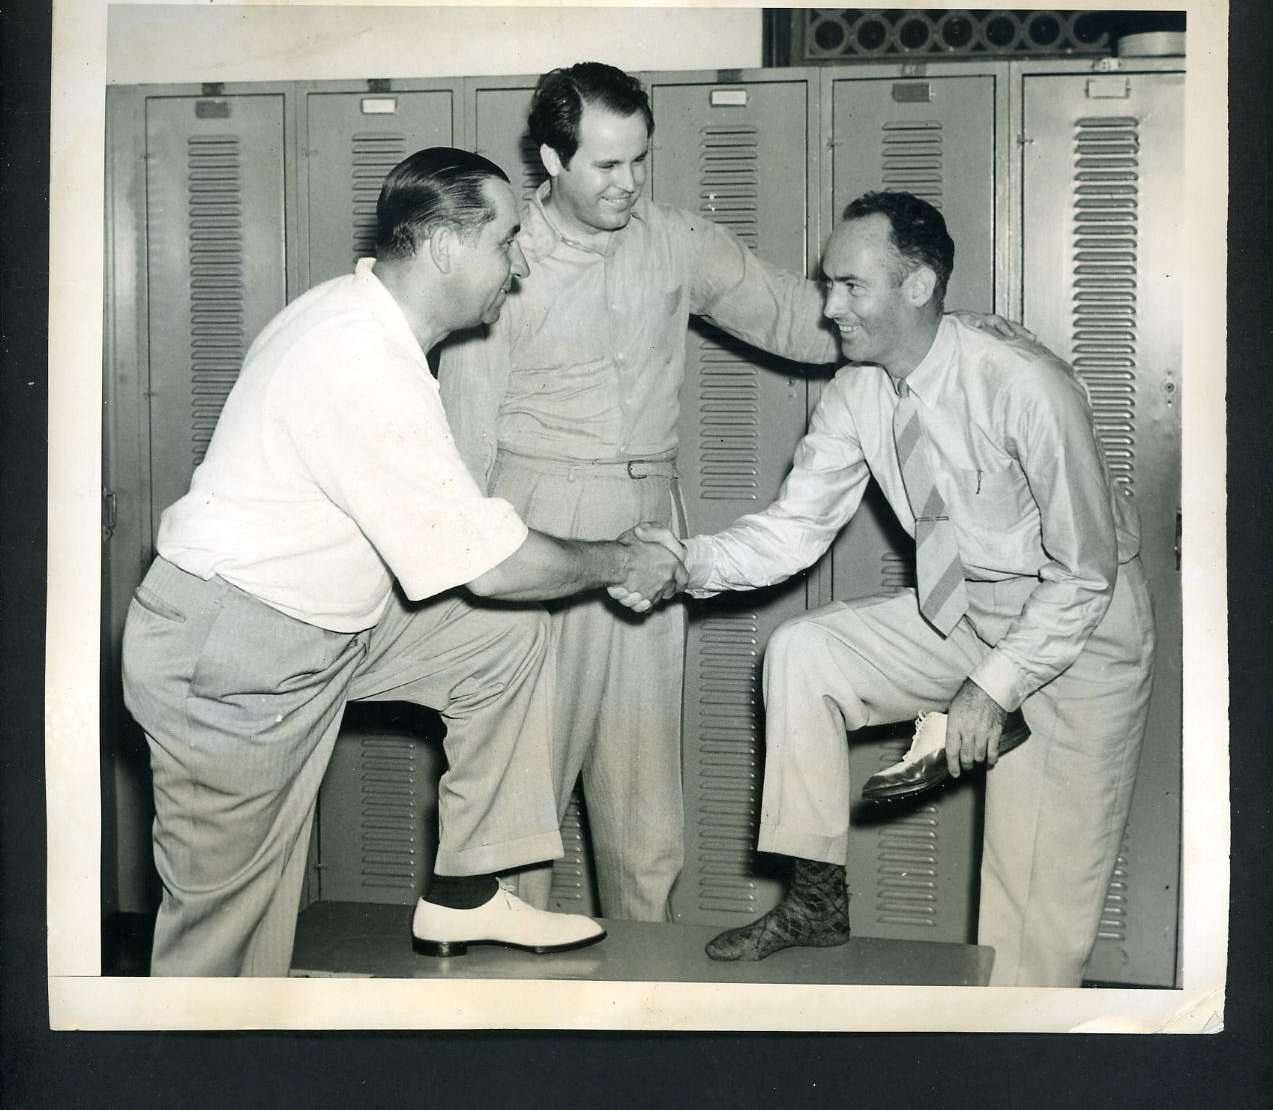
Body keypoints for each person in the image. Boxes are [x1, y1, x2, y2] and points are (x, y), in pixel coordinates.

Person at [438, 62, 1016, 922]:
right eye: (605, 165)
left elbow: (804, 318)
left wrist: (941, 326)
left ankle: (640, 996)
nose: (628, 184)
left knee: (645, 804)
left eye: (640, 160)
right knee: (523, 795)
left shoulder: (677, 242)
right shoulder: (506, 263)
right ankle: (513, 1002)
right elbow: (462, 439)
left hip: (647, 533)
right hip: (536, 532)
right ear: (552, 160)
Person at [121, 147, 685, 977]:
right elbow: (492, 565)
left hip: (316, 625)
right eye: (506, 241)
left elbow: (468, 572)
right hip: (231, 656)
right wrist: (622, 558)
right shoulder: (362, 361)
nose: (520, 262)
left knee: (496, 641)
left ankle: (467, 890)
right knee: (227, 944)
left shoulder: (359, 315)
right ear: (444, 247)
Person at [638, 190, 1156, 987]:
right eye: (827, 283)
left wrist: (993, 687)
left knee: (1032, 921)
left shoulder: (1021, 385)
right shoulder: (858, 393)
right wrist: (686, 562)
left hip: (1077, 631)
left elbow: (1083, 572)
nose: (828, 306)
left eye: (850, 285)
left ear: (916, 287)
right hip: (965, 610)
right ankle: (815, 897)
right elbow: (793, 531)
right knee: (803, 652)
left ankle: (1017, 1060)